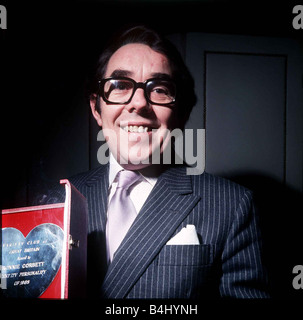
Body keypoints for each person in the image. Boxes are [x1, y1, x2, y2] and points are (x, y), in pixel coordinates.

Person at [38, 25, 270, 299]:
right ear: (96, 109)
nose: (139, 103)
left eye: (159, 89)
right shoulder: (56, 200)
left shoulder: (232, 206)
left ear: (181, 114)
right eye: (120, 86)